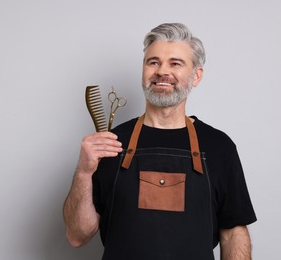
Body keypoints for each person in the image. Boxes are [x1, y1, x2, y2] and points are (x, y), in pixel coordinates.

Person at [63, 23, 257, 259]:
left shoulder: (218, 146)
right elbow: (77, 236)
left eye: (175, 63)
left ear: (196, 76)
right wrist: (83, 172)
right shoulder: (111, 143)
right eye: (153, 62)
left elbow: (233, 233)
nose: (162, 71)